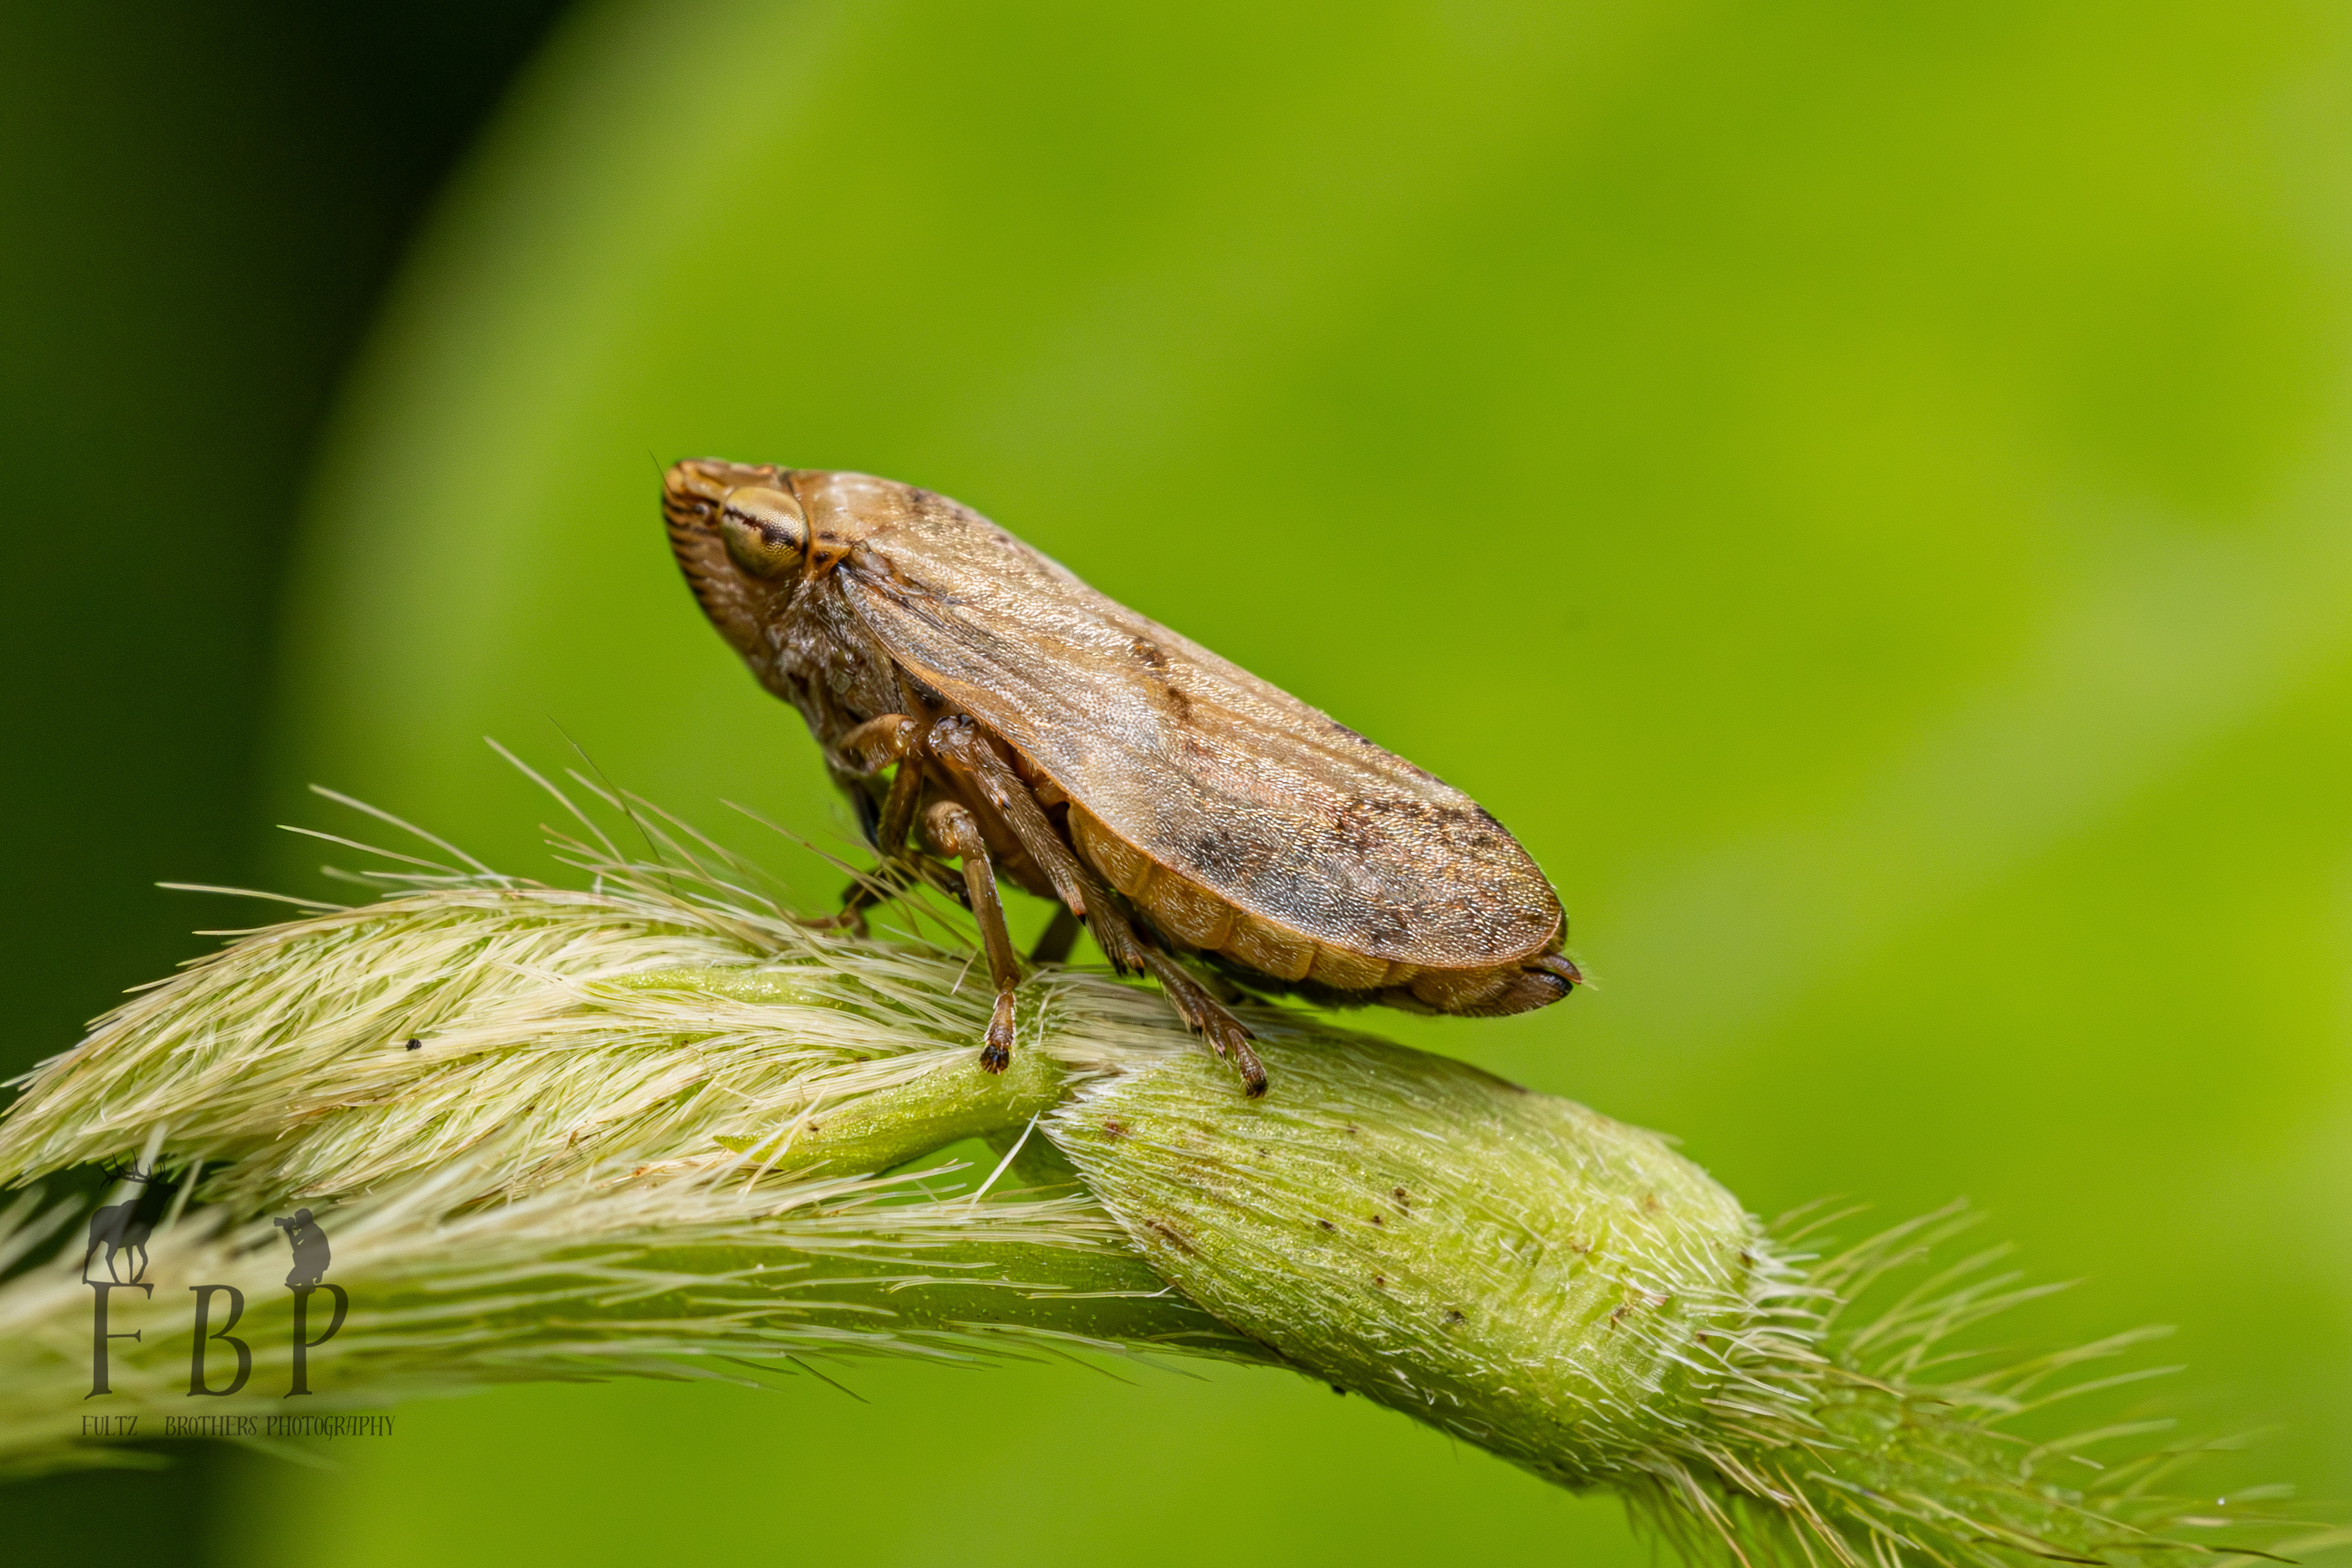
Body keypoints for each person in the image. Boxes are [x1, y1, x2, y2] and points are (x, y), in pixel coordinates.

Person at [272, 1208, 331, 1289]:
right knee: (291, 1279)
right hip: (319, 1260)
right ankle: (315, 1275)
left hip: (319, 1262)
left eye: (298, 1220)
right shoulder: (311, 1228)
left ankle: (310, 1282)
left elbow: (296, 1248)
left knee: (297, 1255)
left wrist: (289, 1231)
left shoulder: (311, 1229)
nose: (297, 1222)